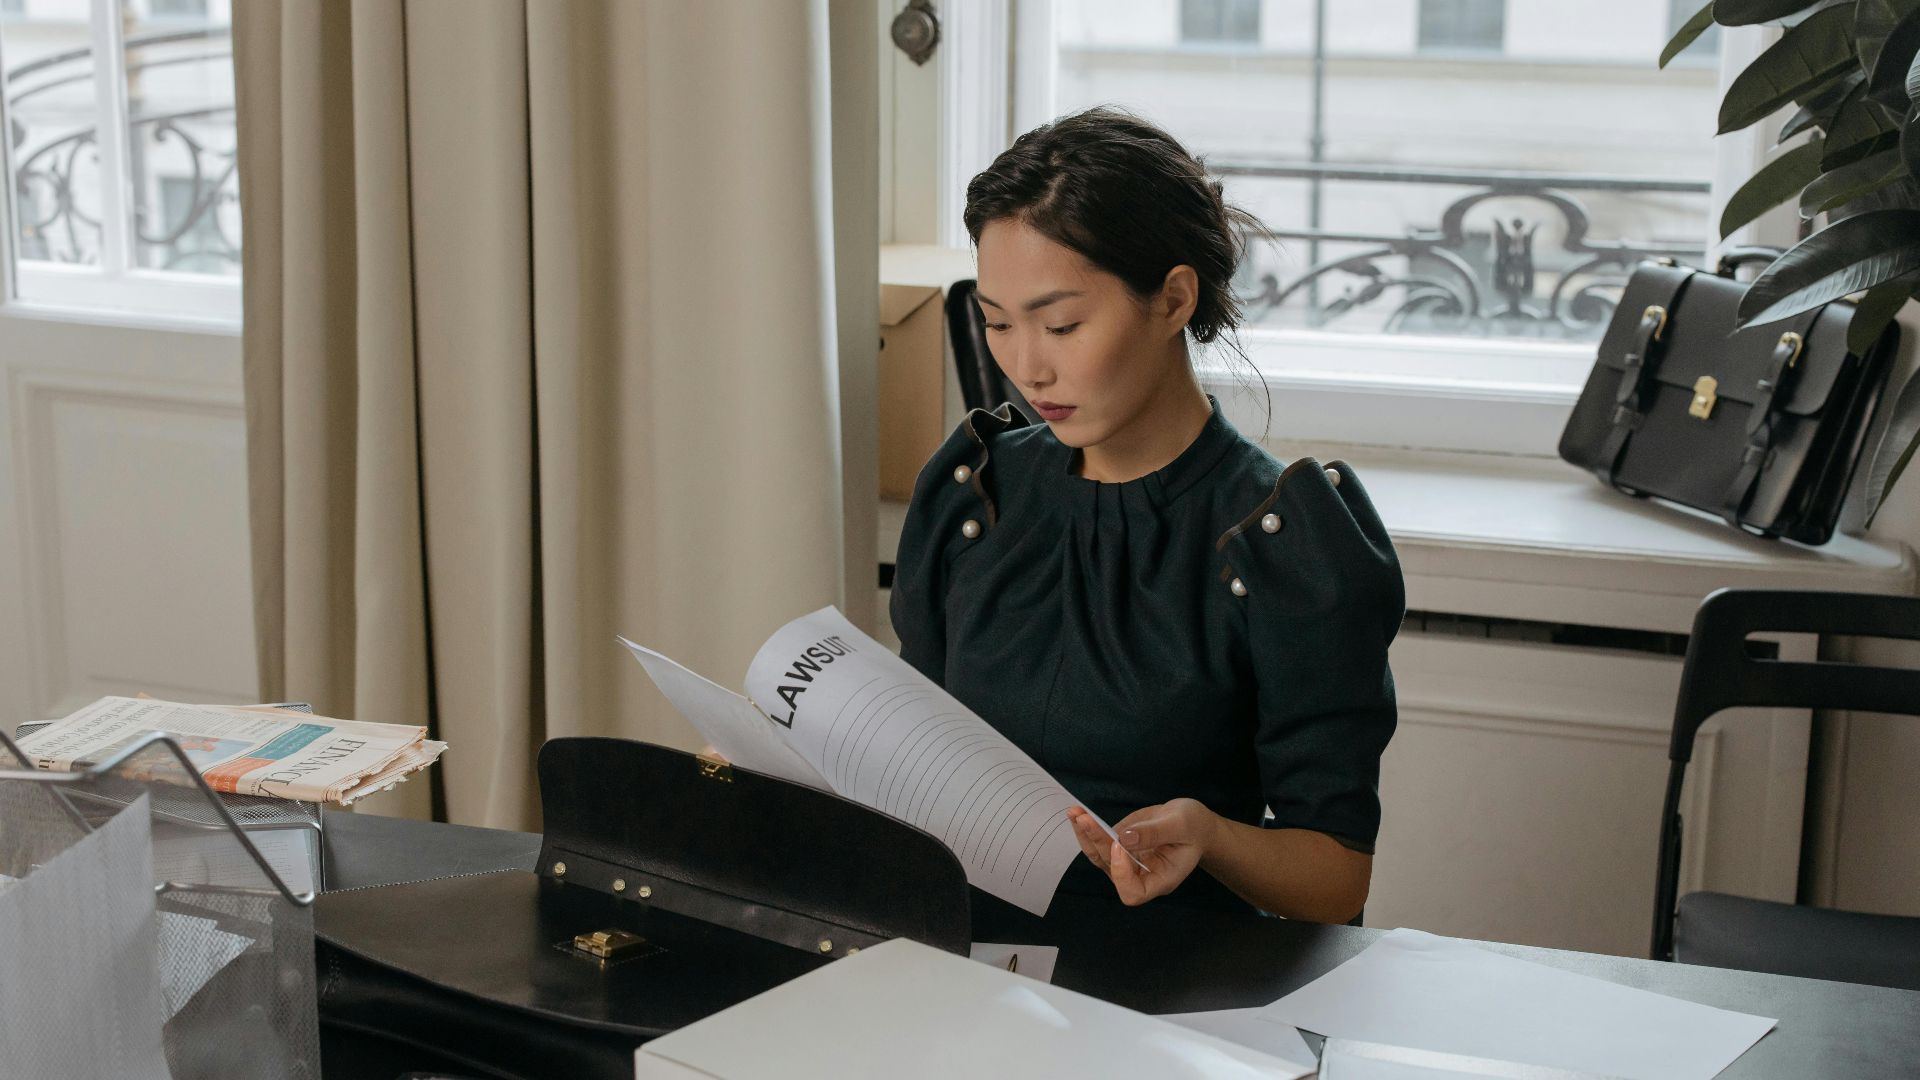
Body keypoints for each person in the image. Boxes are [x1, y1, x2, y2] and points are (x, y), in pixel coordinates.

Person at [889, 108, 1404, 926]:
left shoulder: (1283, 543)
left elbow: (1337, 881)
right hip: (961, 961)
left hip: (1177, 991)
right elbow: (914, 761)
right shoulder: (973, 494)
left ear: (1172, 300)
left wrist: (1213, 836)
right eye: (996, 322)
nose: (1026, 366)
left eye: (1062, 324)